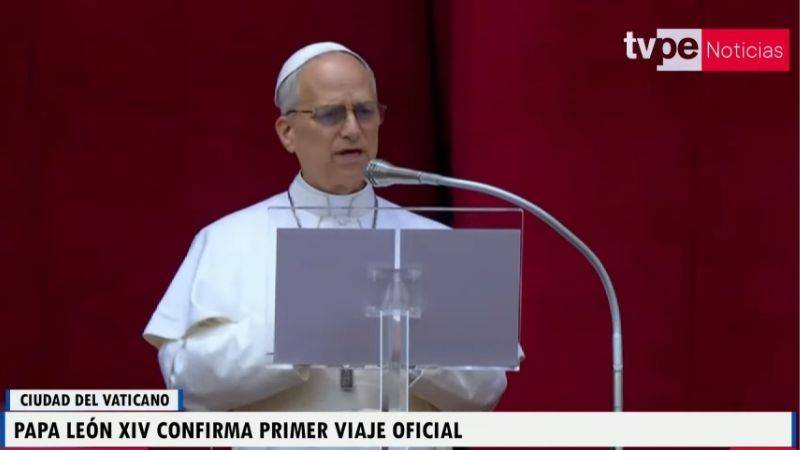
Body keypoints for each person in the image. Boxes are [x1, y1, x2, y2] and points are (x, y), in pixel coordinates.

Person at [143, 42, 509, 413]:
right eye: (331, 114)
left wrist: (402, 339)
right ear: (287, 132)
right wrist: (298, 331)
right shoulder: (226, 240)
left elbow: (487, 390)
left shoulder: (434, 240)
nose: (352, 129)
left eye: (364, 111)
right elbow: (185, 382)